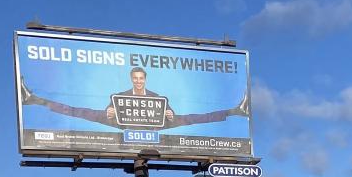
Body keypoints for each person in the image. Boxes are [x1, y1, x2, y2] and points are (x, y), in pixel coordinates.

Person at [20, 66, 249, 129]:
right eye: (135, 78)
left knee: (193, 118)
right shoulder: (120, 96)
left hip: (154, 129)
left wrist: (170, 115)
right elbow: (109, 109)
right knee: (80, 112)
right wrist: (109, 111)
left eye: (141, 78)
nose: (138, 81)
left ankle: (235, 110)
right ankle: (36, 99)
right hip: (122, 126)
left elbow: (170, 114)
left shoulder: (157, 97)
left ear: (145, 80)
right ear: (132, 80)